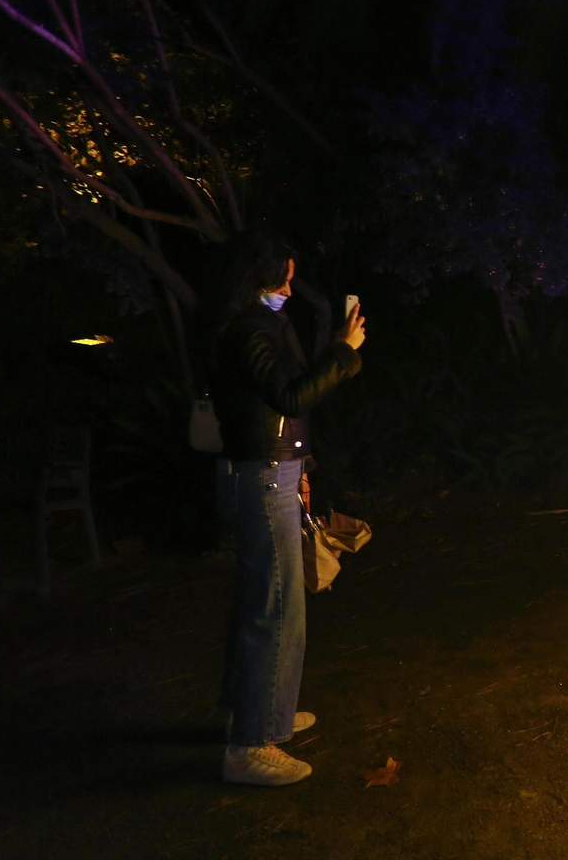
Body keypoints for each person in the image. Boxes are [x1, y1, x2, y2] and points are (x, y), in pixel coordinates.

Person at [209, 231, 366, 786]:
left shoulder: (258, 325)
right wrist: (345, 354)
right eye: (284, 278)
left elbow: (285, 403)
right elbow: (291, 397)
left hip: (273, 471)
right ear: (264, 278)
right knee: (274, 606)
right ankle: (249, 746)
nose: (290, 288)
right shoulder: (251, 328)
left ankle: (260, 709)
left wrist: (301, 470)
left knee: (265, 598)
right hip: (261, 476)